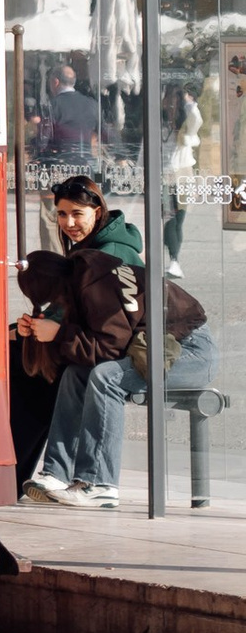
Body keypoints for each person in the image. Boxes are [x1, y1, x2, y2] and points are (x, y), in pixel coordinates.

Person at [16, 172, 215, 507]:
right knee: (76, 374)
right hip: (146, 347)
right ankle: (56, 473)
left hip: (185, 350)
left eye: (77, 213)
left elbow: (110, 346)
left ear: (98, 211)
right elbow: (104, 333)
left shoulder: (102, 264)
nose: (68, 222)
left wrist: (59, 331)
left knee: (105, 377)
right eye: (62, 214)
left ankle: (100, 484)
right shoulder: (84, 261)